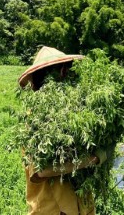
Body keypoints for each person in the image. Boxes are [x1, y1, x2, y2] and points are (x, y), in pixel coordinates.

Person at [18, 46, 109, 215]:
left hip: (82, 205)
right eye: (66, 69)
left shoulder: (73, 112)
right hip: (53, 210)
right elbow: (42, 170)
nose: (70, 75)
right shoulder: (35, 118)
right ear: (57, 73)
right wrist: (94, 159)